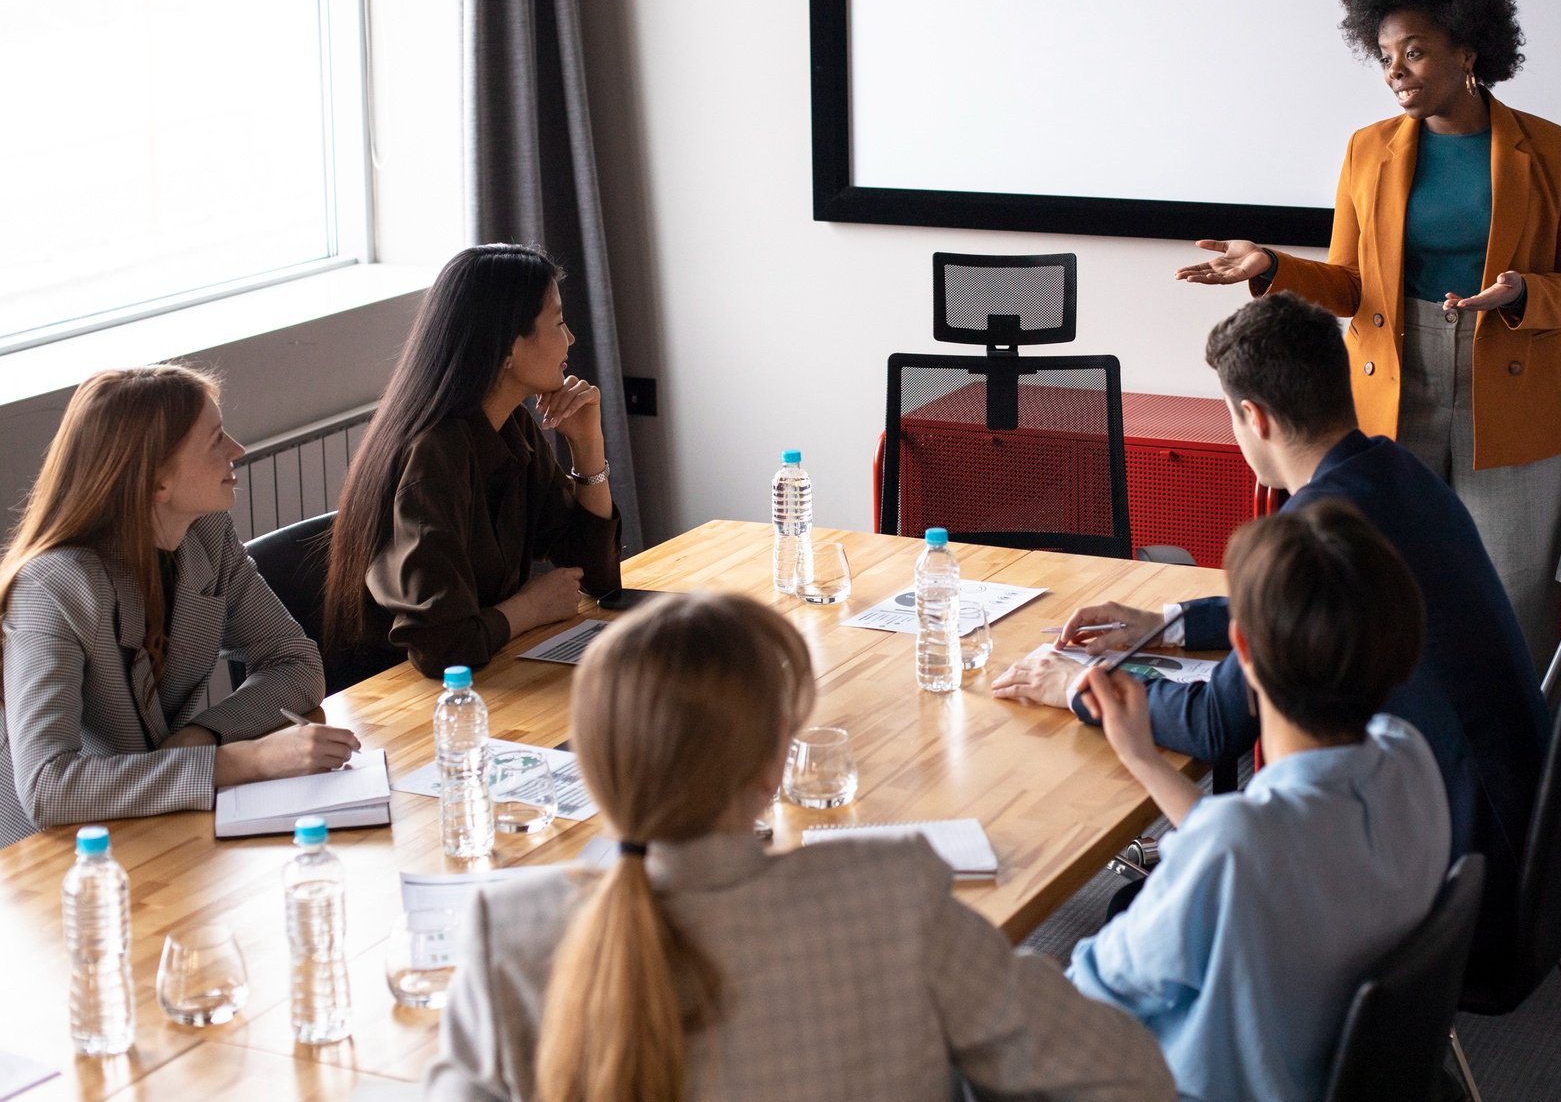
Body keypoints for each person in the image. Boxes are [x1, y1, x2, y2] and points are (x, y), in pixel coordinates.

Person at [424, 591, 1174, 1102]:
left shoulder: (508, 933)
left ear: (592, 763)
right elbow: (1124, 1076)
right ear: (773, 762)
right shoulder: (889, 894)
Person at [995, 291, 1548, 982]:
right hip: (1512, 844)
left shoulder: (1319, 520)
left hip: (1459, 893)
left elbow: (1213, 722)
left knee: (1143, 905)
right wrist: (1166, 621)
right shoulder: (1396, 474)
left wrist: (1077, 687)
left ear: (1253, 417)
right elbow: (1308, 596)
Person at [1174, 0, 1561, 659]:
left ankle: (1515, 764)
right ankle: (1400, 757)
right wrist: (1272, 265)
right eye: (1384, 55)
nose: (1395, 72)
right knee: (1385, 591)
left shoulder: (1552, 150)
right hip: (1392, 391)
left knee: (1511, 600)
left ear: (1468, 49)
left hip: (1516, 397)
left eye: (1414, 51)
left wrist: (1522, 293)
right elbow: (1351, 287)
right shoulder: (1366, 150)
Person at [1066, 500, 1450, 1102]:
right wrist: (1141, 758)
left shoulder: (1238, 849)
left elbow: (1087, 991)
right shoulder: (1409, 761)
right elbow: (1255, 845)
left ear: (1241, 649)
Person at [0, 366, 357, 847]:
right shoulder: (52, 587)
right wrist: (245, 761)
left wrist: (204, 735)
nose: (237, 449)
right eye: (215, 441)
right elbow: (48, 788)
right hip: (50, 854)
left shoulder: (205, 535)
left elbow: (295, 662)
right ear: (156, 484)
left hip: (157, 822)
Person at [323, 245, 622, 682]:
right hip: (402, 704)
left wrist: (588, 445)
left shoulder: (512, 425)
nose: (570, 338)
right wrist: (527, 610)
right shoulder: (433, 455)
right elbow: (439, 648)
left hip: (484, 676)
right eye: (557, 322)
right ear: (507, 346)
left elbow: (598, 576)